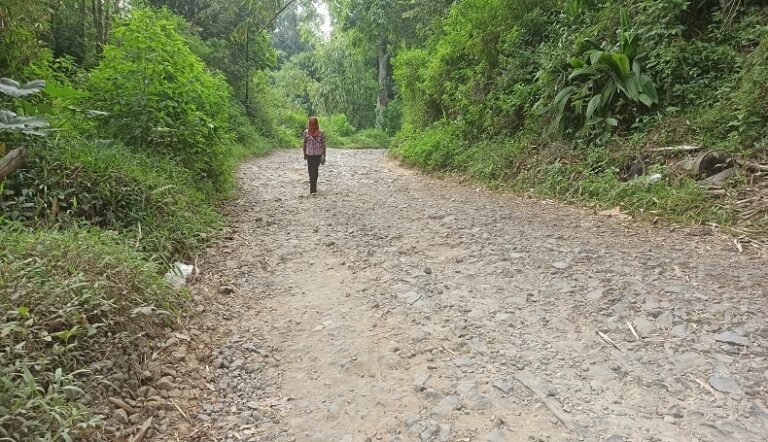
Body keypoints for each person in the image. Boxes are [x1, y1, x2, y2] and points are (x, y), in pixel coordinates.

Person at [303, 116, 326, 195]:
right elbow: (323, 145)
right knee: (315, 171)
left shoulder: (306, 132)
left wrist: (304, 154)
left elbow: (304, 144)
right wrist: (324, 155)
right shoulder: (321, 132)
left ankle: (312, 190)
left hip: (310, 155)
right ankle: (313, 189)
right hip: (318, 155)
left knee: (312, 171)